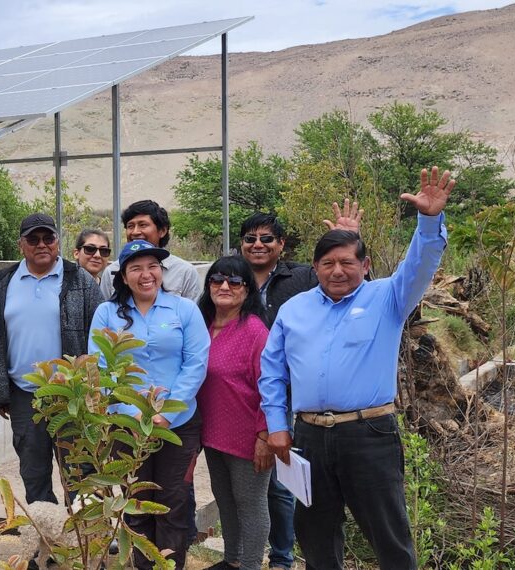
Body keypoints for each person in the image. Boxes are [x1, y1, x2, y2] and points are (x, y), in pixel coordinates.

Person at [260, 167, 454, 569]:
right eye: (327, 262)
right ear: (314, 268)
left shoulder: (388, 299)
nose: (337, 270)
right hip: (309, 435)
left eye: (347, 261)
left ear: (365, 265)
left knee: (389, 536)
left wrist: (430, 219)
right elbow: (272, 371)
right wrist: (276, 425)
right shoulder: (295, 310)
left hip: (368, 433)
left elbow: (420, 263)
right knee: (315, 535)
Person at [239, 201, 361, 570]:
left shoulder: (302, 278)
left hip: (297, 398)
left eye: (266, 238)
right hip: (246, 397)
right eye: (249, 238)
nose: (257, 244)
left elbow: (352, 293)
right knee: (250, 478)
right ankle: (246, 552)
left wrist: (350, 239)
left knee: (286, 483)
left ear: (281, 244)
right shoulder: (231, 277)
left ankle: (283, 556)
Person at [88, 239, 210, 569]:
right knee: (135, 501)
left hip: (178, 425)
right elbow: (101, 368)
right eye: (136, 268)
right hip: (126, 427)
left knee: (173, 501)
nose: (146, 274)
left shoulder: (184, 309)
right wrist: (135, 414)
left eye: (153, 266)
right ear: (123, 276)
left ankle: (170, 565)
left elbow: (196, 362)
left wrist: (166, 412)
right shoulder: (107, 313)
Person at [0, 213, 102, 505]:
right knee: (33, 474)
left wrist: (93, 390)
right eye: (33, 239)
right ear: (21, 244)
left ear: (58, 242)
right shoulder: (4, 282)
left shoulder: (80, 281)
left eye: (48, 238)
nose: (41, 245)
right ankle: (47, 545)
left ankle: (83, 542)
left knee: (79, 472)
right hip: (25, 395)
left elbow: (100, 334)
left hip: (70, 396)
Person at [195, 256, 271, 570]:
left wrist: (265, 435)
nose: (224, 286)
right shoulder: (201, 324)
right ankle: (232, 560)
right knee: (225, 500)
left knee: (250, 505)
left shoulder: (255, 331)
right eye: (217, 279)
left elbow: (272, 386)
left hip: (248, 435)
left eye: (235, 281)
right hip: (212, 433)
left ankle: (251, 564)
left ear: (246, 289)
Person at [99, 200, 202, 302]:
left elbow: (192, 313)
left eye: (143, 225)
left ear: (162, 231)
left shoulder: (185, 272)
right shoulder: (112, 271)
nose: (135, 232)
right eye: (130, 226)